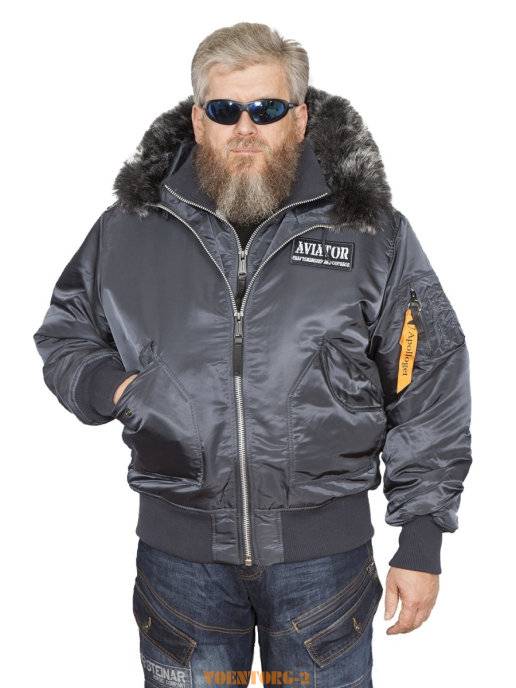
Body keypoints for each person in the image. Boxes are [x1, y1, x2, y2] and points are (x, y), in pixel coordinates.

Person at [33, 21, 472, 687]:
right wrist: (119, 391)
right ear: (197, 120)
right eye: (224, 109)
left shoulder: (368, 232)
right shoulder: (129, 228)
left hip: (324, 565)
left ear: (299, 118)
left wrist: (421, 540)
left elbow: (429, 380)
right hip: (179, 565)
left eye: (266, 109)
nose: (245, 127)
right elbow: (65, 333)